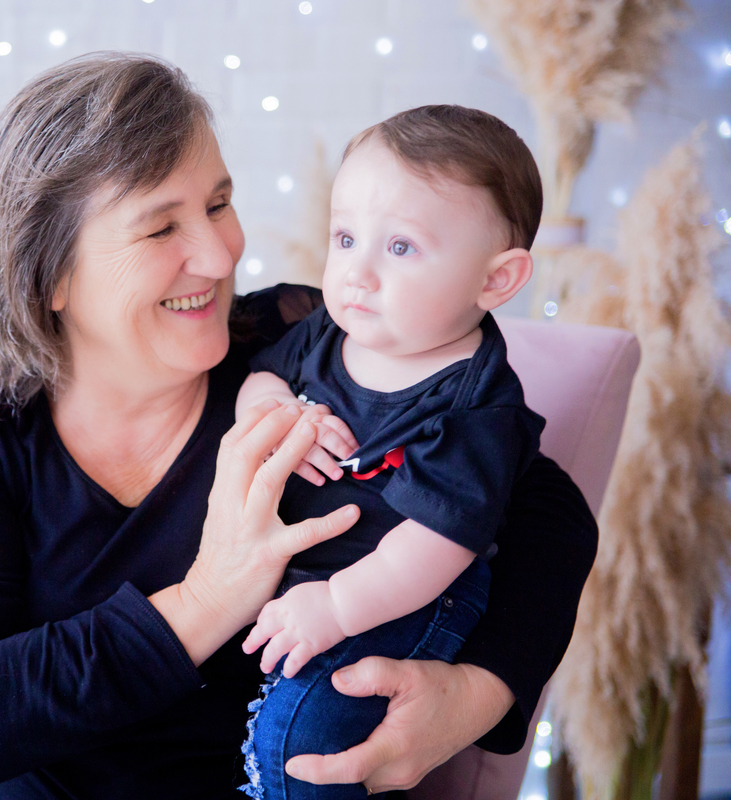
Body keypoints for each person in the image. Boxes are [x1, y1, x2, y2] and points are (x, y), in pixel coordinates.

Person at [0, 53, 596, 800]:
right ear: (49, 275)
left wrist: (476, 695)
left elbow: (548, 512)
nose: (220, 256)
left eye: (218, 204)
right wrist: (210, 597)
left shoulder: (310, 347)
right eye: (161, 229)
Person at [234, 106, 545, 799]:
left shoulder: (474, 407)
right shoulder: (324, 332)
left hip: (409, 596)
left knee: (305, 737)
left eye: (399, 248)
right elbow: (259, 379)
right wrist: (279, 414)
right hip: (309, 589)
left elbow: (436, 545)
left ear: (495, 281)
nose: (356, 273)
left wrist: (340, 607)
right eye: (345, 238)